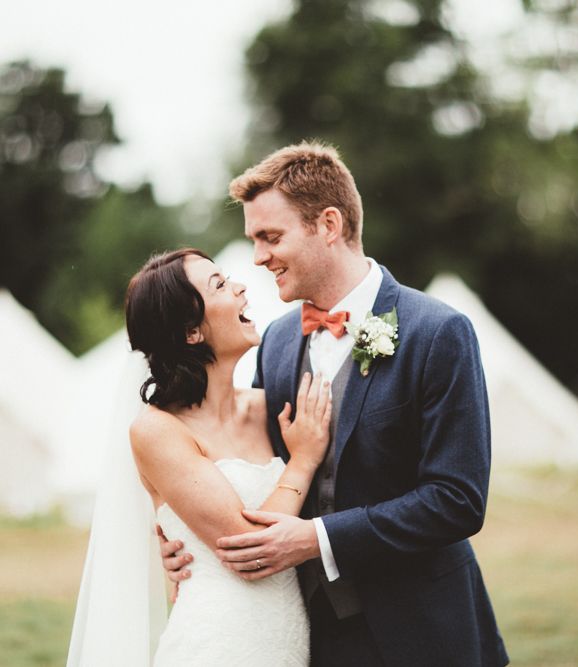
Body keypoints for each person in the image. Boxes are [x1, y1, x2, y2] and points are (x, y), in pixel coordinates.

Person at [162, 142, 509, 666]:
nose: (258, 257)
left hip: (424, 632)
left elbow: (457, 499)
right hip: (308, 637)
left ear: (328, 224)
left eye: (270, 237)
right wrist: (178, 536)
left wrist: (317, 538)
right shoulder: (275, 342)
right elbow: (238, 462)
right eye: (254, 240)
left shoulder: (438, 332)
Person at [72, 247, 333, 667]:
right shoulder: (157, 431)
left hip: (289, 641)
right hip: (217, 644)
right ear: (192, 332)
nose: (242, 286)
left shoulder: (270, 408)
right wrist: (303, 459)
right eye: (221, 285)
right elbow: (249, 550)